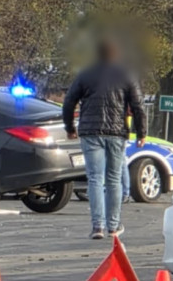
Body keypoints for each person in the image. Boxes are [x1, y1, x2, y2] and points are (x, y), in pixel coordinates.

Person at [63, 39, 146, 240]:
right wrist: (141, 132)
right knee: (113, 178)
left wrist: (70, 127)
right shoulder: (126, 74)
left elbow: (69, 102)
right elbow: (138, 105)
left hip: (91, 132)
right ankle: (113, 225)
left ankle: (97, 226)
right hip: (116, 133)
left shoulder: (85, 74)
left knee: (95, 178)